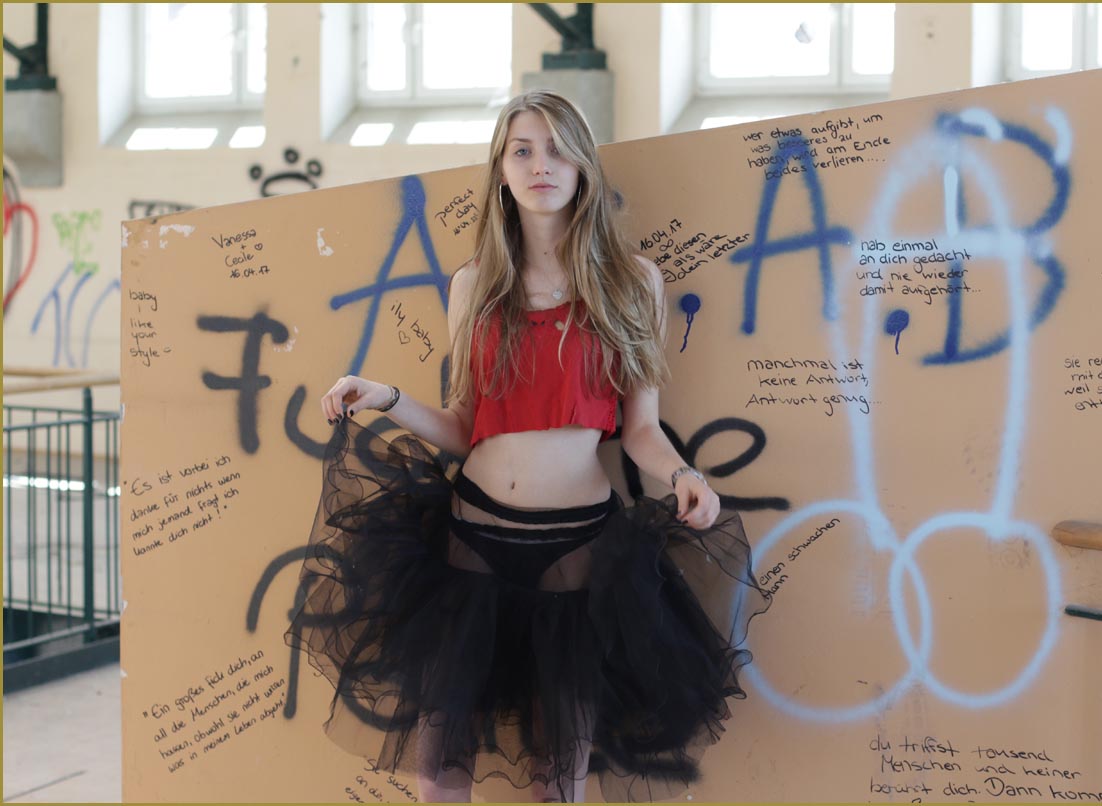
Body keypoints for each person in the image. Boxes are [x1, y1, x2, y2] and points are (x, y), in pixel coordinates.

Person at [286, 90, 768, 803]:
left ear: (582, 167)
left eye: (557, 149)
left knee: (557, 778)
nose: (541, 164)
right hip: (472, 539)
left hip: (579, 550)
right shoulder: (474, 285)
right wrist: (384, 396)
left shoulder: (634, 282)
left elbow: (640, 430)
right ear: (502, 171)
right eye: (522, 150)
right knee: (438, 772)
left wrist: (683, 475)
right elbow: (465, 425)